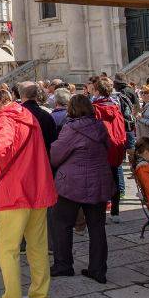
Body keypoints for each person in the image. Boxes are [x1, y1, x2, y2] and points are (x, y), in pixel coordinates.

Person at [0, 84, 56, 298]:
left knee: (7, 247)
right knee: (37, 245)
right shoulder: (28, 116)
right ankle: (38, 296)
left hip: (16, 191)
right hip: (38, 188)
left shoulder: (5, 118)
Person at [48, 94, 114, 284]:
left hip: (72, 183)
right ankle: (98, 269)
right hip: (99, 182)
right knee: (97, 227)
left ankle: (63, 264)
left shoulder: (71, 129)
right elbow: (108, 148)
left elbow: (56, 155)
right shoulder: (100, 127)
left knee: (62, 223)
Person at [90, 77, 129, 223]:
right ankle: (115, 212)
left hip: (101, 150)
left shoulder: (95, 108)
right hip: (116, 148)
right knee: (115, 178)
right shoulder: (116, 107)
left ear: (97, 90)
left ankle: (101, 213)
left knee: (100, 182)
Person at [18, 82, 59, 152]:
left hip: (22, 158)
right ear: (36, 95)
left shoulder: (16, 114)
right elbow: (53, 141)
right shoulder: (46, 115)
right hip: (43, 157)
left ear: (20, 95)